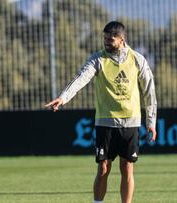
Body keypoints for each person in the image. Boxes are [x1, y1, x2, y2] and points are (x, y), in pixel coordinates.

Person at [45, 21, 157, 203]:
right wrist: (63, 98)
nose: (106, 42)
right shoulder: (97, 59)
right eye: (104, 38)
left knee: (127, 167)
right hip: (105, 122)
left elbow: (149, 92)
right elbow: (81, 78)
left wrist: (151, 122)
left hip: (131, 122)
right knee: (103, 167)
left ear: (122, 40)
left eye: (110, 40)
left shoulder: (138, 60)